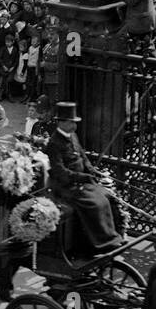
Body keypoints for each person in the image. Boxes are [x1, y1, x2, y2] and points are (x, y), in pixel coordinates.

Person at [45, 102, 121, 251]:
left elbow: (83, 157)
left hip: (80, 182)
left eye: (74, 122)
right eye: (71, 122)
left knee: (106, 196)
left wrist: (92, 171)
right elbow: (60, 172)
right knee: (95, 203)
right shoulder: (54, 143)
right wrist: (83, 177)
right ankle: (101, 242)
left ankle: (112, 236)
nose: (74, 125)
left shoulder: (73, 136)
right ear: (61, 122)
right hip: (65, 187)